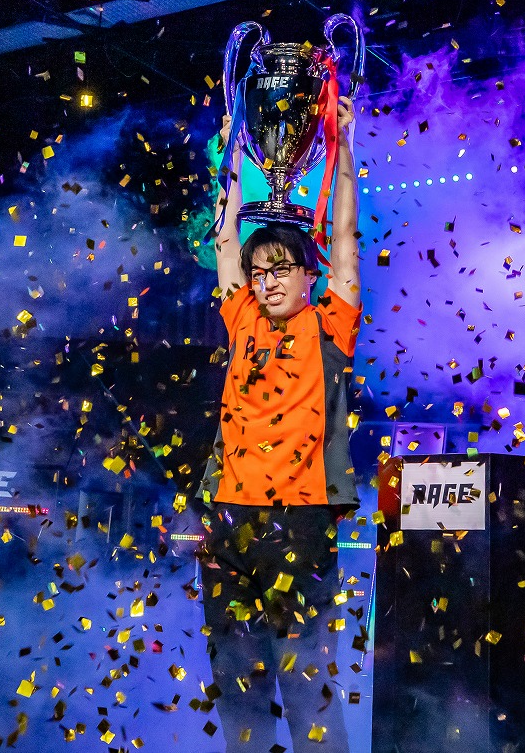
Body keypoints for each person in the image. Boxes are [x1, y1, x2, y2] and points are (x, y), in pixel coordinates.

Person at [201, 95, 361, 751]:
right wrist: (232, 152)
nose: (265, 280)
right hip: (229, 518)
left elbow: (345, 238)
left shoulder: (331, 324)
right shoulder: (241, 315)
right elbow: (224, 237)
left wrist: (343, 148)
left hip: (299, 519)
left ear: (307, 275)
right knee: (236, 681)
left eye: (279, 269)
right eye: (258, 270)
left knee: (305, 682)